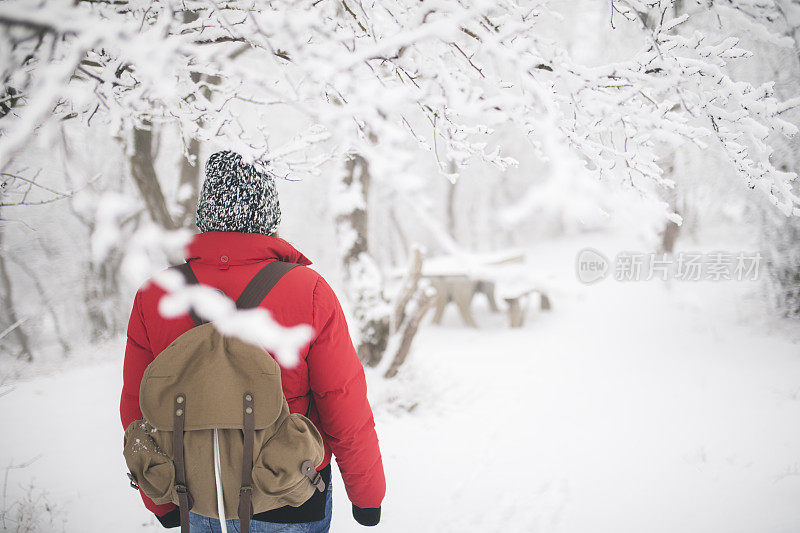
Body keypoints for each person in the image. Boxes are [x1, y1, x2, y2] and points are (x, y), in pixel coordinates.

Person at [120, 150, 386, 532]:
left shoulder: (157, 294)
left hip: (194, 495)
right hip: (289, 491)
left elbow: (137, 407)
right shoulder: (307, 290)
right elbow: (342, 402)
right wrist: (367, 497)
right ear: (269, 215)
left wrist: (159, 498)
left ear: (206, 213)